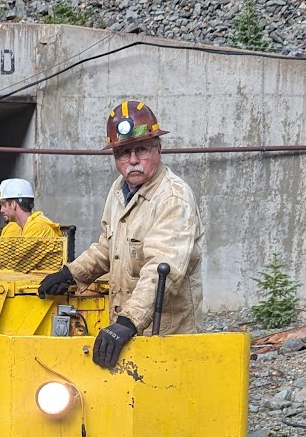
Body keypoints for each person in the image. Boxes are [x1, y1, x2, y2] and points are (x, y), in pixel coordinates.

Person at [38, 100, 202, 368]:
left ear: (158, 149)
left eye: (141, 149)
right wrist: (72, 273)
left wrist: (128, 322)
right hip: (128, 328)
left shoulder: (173, 197)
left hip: (166, 336)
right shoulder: (119, 191)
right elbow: (109, 246)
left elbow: (165, 269)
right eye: (124, 153)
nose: (133, 160)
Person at [0, 178, 63, 274]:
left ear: (13, 204)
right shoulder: (27, 227)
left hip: (45, 287)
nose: (1, 210)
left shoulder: (37, 227)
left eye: (4, 205)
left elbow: (15, 268)